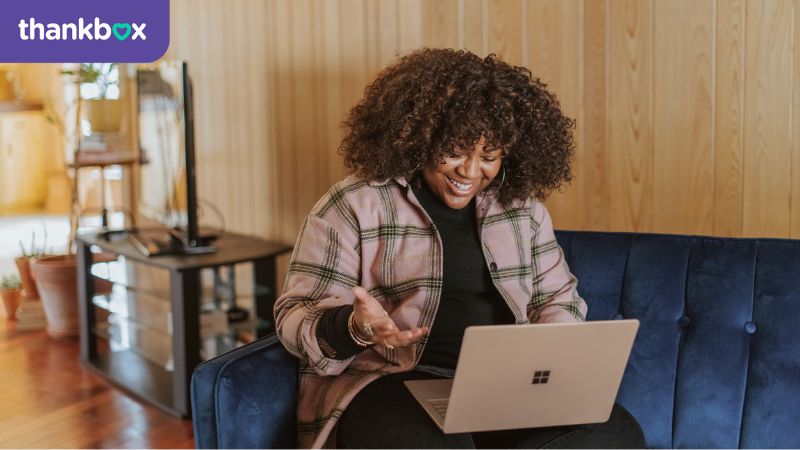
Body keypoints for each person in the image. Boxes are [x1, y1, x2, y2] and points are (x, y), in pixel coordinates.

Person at [274, 48, 645, 449]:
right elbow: (294, 317)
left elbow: (558, 299)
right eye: (454, 151)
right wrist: (355, 327)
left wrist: (547, 358)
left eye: (488, 156)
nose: (470, 172)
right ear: (420, 137)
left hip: (504, 388)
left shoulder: (524, 211)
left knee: (616, 435)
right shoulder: (355, 204)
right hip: (391, 382)